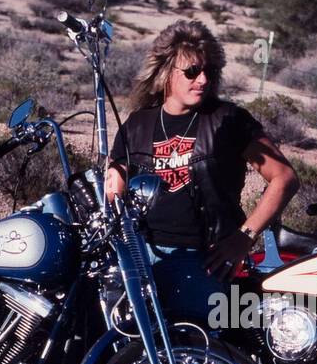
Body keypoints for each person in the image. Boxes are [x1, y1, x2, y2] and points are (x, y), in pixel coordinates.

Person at [105, 20, 298, 323]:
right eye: (192, 72)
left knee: (196, 350)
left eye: (209, 71)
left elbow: (284, 177)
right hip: (142, 256)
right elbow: (114, 189)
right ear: (166, 72)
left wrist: (244, 237)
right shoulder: (137, 125)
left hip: (204, 260)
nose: (203, 79)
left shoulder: (228, 120)